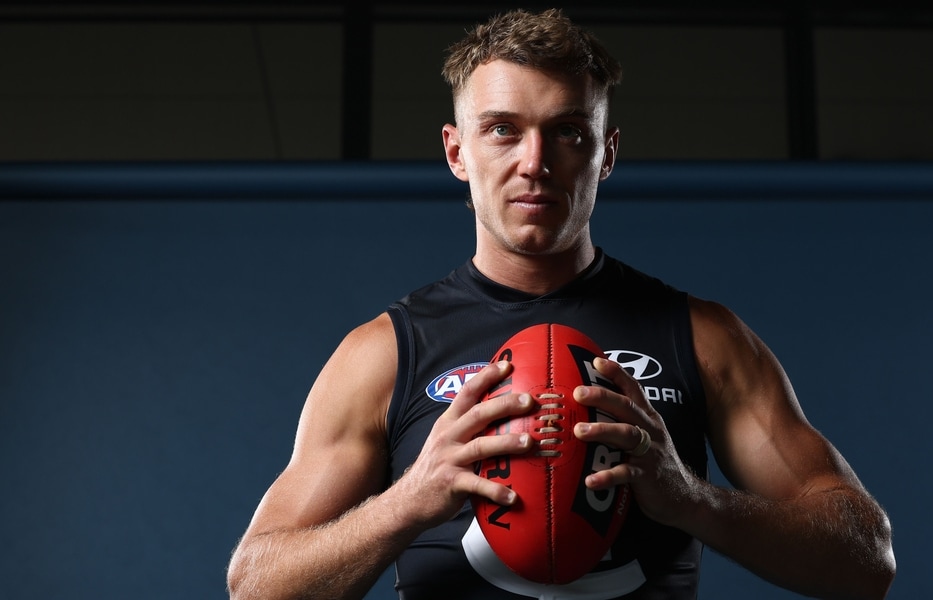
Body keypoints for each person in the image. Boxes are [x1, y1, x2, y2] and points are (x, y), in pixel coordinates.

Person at [226, 8, 896, 599]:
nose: (534, 162)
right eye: (502, 130)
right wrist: (406, 502)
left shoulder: (701, 337)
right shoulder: (385, 353)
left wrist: (693, 500)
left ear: (607, 153)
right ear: (457, 152)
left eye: (568, 131)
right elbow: (255, 585)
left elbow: (868, 560)